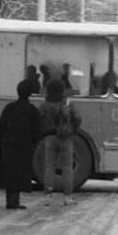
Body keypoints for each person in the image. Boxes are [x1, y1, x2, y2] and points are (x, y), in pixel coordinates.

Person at [0, 79, 42, 209]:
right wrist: (33, 144)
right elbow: (36, 131)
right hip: (24, 146)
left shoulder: (9, 107)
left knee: (9, 173)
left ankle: (10, 200)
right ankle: (15, 201)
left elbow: (2, 126)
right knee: (19, 174)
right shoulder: (32, 110)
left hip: (8, 145)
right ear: (30, 94)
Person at [38, 78, 82, 206]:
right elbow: (78, 119)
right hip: (66, 138)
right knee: (67, 167)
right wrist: (72, 131)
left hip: (50, 138)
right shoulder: (67, 104)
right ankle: (68, 197)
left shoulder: (45, 105)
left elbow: (39, 120)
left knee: (49, 166)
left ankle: (48, 196)